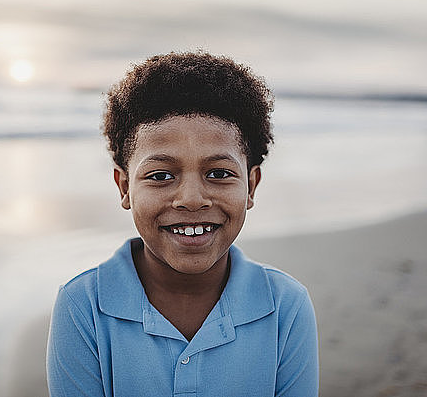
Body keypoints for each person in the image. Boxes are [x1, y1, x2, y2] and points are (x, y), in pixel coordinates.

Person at [46, 51, 319, 397]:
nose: (191, 199)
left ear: (251, 185)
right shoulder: (83, 305)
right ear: (125, 186)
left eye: (218, 173)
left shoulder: (284, 305)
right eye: (161, 175)